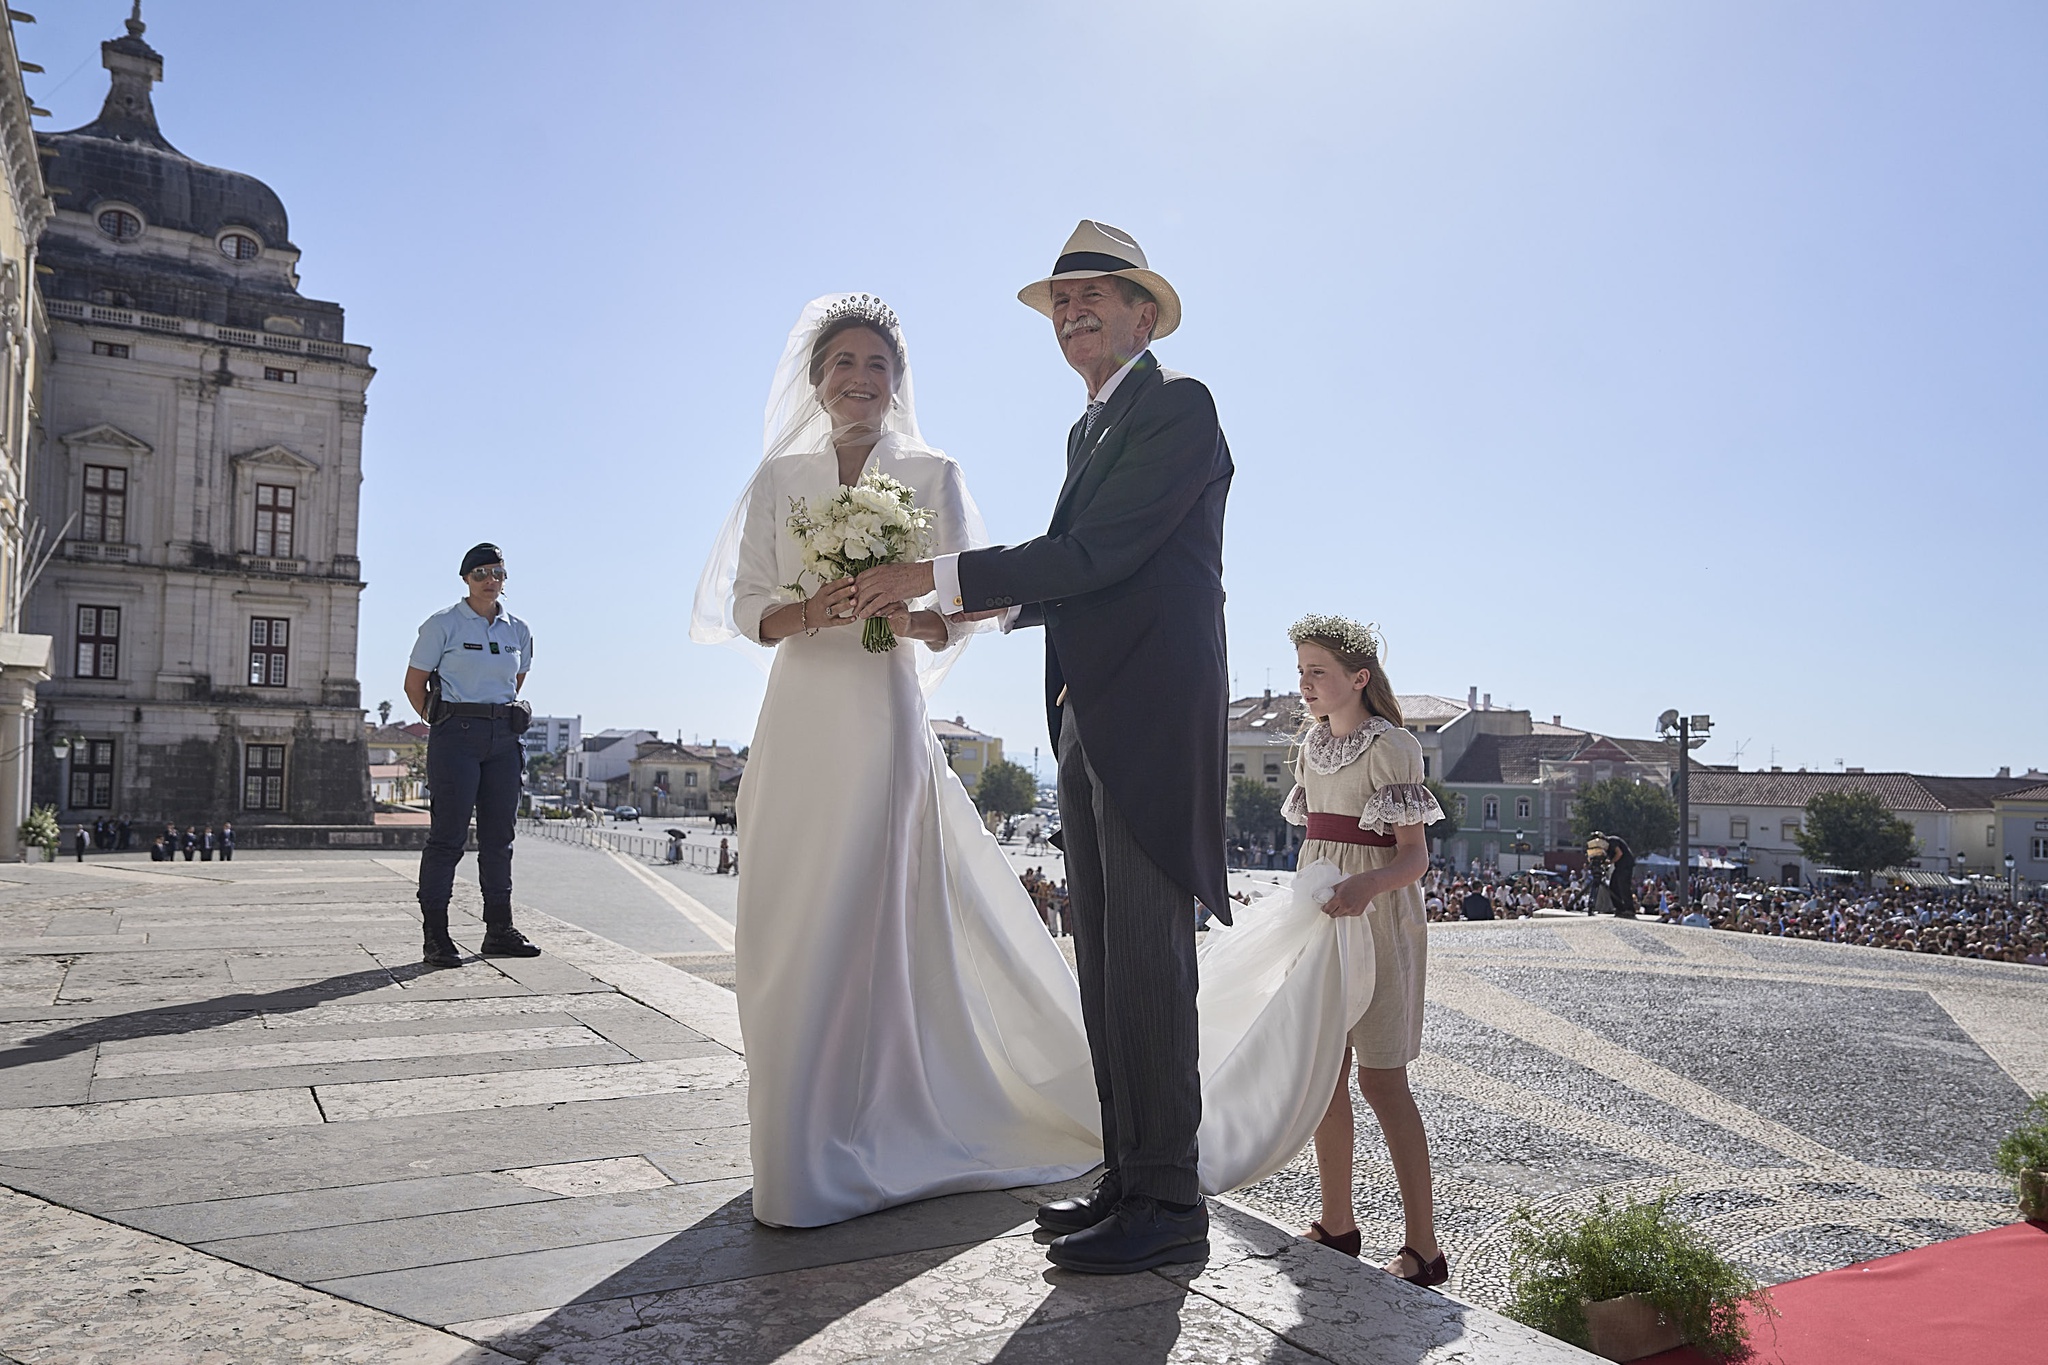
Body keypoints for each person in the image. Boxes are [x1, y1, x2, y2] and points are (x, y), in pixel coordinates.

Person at [855, 222, 1234, 1274]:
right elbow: (1083, 572)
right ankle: (1129, 1178)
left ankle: (1169, 1204)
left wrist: (937, 582)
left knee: (1149, 965)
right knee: (1105, 962)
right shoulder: (1089, 434)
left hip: (1151, 714)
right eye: (1060, 305)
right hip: (1090, 712)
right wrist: (961, 617)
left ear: (1142, 314)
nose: (1072, 317)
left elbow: (1095, 554)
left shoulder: (1178, 407)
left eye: (1093, 299)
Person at [690, 292, 1099, 1229]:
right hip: (799, 710)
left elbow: (971, 602)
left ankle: (859, 1132)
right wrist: (815, 610)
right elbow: (750, 605)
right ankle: (790, 1135)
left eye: (878, 366)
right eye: (844, 364)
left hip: (880, 708)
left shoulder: (931, 469)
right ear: (817, 379)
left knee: (861, 909)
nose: (860, 381)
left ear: (897, 383)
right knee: (784, 913)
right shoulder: (778, 479)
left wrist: (903, 613)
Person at [404, 543, 540, 968]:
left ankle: (499, 930)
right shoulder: (442, 625)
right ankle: (437, 936)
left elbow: (513, 681)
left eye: (497, 572)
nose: (489, 580)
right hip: (456, 737)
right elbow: (414, 685)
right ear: (465, 578)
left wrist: (494, 718)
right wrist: (443, 721)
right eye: (480, 573)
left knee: (500, 839)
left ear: (505, 578)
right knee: (447, 838)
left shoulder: (518, 630)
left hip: (504, 738)